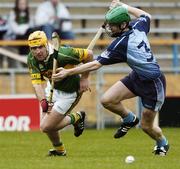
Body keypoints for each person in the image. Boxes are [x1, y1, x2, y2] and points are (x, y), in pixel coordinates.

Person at [52, 1, 169, 156]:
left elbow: (95, 65)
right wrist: (123, 6)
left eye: (112, 25)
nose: (109, 28)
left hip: (153, 84)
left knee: (147, 126)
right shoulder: (138, 25)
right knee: (107, 100)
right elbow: (146, 15)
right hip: (136, 77)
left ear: (123, 25)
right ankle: (128, 119)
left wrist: (68, 73)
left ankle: (162, 143)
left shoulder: (120, 45)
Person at [27, 30, 93, 156]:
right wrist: (43, 102)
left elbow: (89, 55)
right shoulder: (31, 58)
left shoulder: (64, 54)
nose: (37, 51)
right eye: (34, 48)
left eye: (40, 47)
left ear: (46, 44)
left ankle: (77, 117)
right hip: (51, 89)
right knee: (47, 125)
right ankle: (60, 150)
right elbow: (36, 83)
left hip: (70, 92)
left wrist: (84, 78)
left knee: (45, 127)